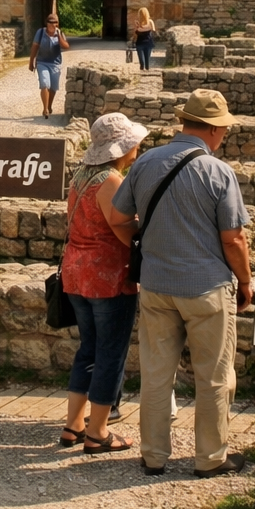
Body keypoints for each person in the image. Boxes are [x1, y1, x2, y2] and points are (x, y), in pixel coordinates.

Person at [108, 89, 252, 478]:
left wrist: (147, 246)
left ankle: (153, 455)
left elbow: (120, 218)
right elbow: (233, 238)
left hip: (156, 285)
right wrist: (246, 281)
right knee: (214, 375)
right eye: (222, 129)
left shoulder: (147, 162)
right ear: (213, 130)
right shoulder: (218, 172)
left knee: (156, 374)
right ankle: (210, 458)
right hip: (206, 286)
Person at [60, 113, 147, 455]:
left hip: (76, 272)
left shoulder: (80, 177)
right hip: (106, 276)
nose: (137, 148)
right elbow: (120, 228)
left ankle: (73, 425)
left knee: (89, 349)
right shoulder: (111, 180)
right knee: (111, 352)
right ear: (120, 148)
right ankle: (98, 432)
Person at [28, 13, 71, 118]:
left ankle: (50, 105)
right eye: (50, 22)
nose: (52, 24)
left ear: (57, 24)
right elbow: (35, 47)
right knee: (45, 84)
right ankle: (45, 109)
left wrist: (59, 37)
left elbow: (66, 46)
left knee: (53, 88)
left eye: (55, 22)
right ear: (46, 23)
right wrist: (31, 61)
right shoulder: (41, 32)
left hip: (55, 63)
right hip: (42, 62)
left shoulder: (60, 33)